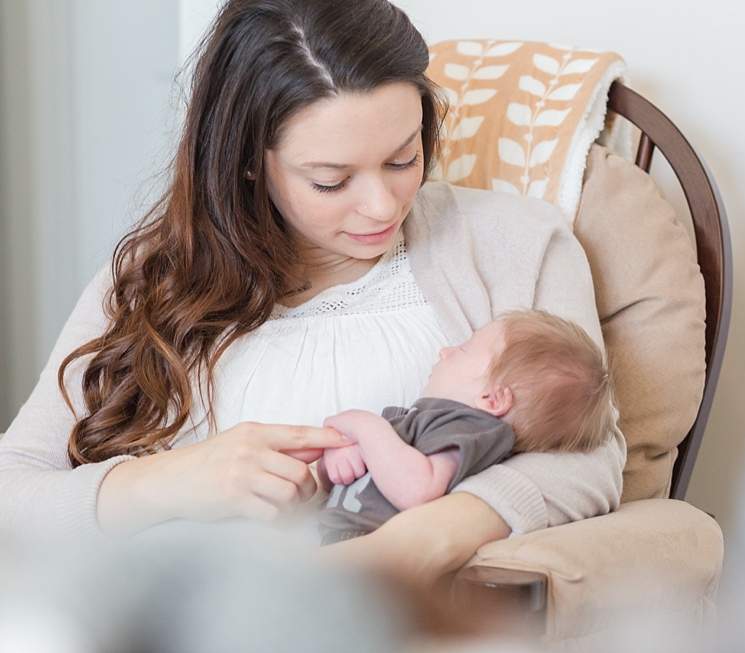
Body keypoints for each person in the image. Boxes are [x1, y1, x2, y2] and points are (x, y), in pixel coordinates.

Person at [0, 0, 625, 582]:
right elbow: (13, 490)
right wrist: (164, 481)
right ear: (247, 160)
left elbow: (591, 457)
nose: (381, 205)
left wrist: (418, 542)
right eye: (331, 181)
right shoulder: (152, 274)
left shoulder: (512, 244)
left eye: (404, 159)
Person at [317, 309, 616, 543]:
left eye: (463, 350)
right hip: (346, 546)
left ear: (492, 398)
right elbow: (352, 478)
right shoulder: (426, 420)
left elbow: (417, 490)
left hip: (378, 557)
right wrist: (339, 457)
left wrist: (365, 425)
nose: (444, 351)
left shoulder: (469, 427)